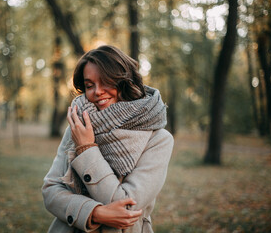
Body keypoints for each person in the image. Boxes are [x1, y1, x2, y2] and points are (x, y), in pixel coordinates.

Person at [42, 45, 174, 233]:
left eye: (106, 82)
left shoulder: (159, 139)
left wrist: (87, 149)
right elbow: (51, 190)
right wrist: (93, 213)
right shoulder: (78, 127)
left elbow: (127, 206)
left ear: (125, 82)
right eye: (89, 85)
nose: (97, 91)